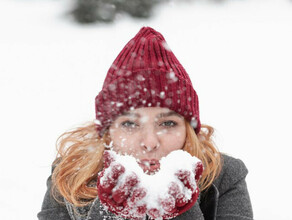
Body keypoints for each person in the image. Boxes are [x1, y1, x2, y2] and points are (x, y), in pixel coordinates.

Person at [38, 27, 253, 220]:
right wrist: (111, 216)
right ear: (107, 132)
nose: (150, 143)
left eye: (168, 123)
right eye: (130, 124)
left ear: (189, 130)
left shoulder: (224, 176)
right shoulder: (70, 175)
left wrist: (182, 214)